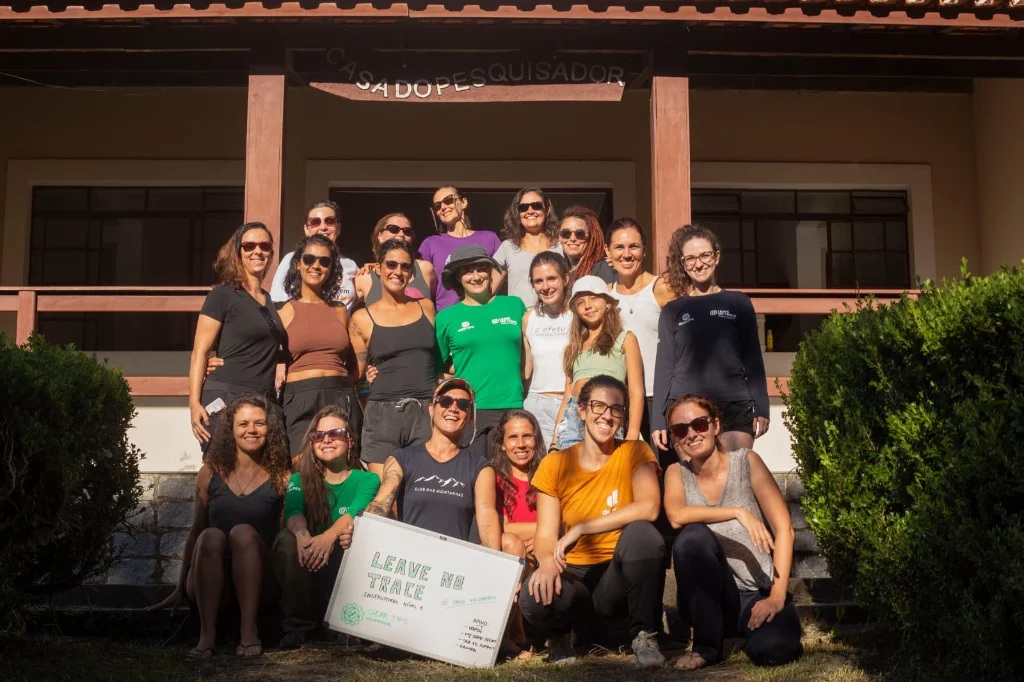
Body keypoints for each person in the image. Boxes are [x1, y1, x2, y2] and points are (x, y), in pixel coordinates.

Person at [519, 375, 666, 668]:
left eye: (617, 409)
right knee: (532, 596)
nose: (607, 415)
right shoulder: (556, 463)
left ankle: (644, 636)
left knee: (643, 534)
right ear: (582, 410)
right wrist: (547, 561)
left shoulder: (635, 452)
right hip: (577, 578)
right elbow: (546, 535)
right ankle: (560, 639)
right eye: (599, 406)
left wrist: (582, 527)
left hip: (620, 574)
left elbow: (649, 507)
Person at [663, 394, 802, 669]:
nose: (691, 434)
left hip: (757, 593)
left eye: (699, 424)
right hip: (710, 599)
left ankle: (752, 633)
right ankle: (706, 648)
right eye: (681, 429)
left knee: (776, 652)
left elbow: (784, 529)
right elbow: (677, 516)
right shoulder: (676, 473)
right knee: (692, 538)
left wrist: (776, 596)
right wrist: (738, 512)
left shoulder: (746, 462)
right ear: (675, 438)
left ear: (715, 425)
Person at [147, 395, 291, 658]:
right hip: (211, 580)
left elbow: (281, 542)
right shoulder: (210, 472)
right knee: (211, 535)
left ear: (269, 429)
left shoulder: (283, 478)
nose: (252, 430)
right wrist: (180, 586)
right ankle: (206, 636)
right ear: (231, 430)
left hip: (258, 584)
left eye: (260, 423)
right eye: (243, 424)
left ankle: (249, 632)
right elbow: (196, 532)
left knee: (243, 533)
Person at [652, 224, 770, 453]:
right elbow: (664, 367)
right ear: (683, 264)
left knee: (736, 477)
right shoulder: (672, 310)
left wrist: (762, 406)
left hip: (734, 404)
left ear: (716, 257)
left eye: (704, 255)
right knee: (695, 484)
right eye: (690, 259)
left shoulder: (739, 303)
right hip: (686, 408)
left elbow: (753, 358)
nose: (698, 264)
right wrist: (658, 419)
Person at [274, 406, 381, 649]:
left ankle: (347, 624)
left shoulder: (368, 479)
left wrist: (329, 536)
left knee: (352, 534)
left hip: (345, 572)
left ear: (350, 440)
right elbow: (293, 512)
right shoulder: (298, 479)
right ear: (311, 443)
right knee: (288, 541)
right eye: (319, 435)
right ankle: (297, 627)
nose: (326, 440)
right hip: (306, 566)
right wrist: (303, 536)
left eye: (336, 433)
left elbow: (355, 512)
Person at [361, 379, 501, 551]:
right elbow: (381, 503)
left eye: (463, 404)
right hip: (408, 561)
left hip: (451, 565)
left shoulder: (480, 467)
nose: (453, 408)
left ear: (470, 416)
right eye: (445, 401)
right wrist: (364, 534)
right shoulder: (402, 458)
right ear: (431, 409)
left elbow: (487, 518)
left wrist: (495, 564)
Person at [189, 222, 286, 453]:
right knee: (220, 470)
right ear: (238, 252)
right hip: (226, 394)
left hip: (264, 400)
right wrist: (193, 403)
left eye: (264, 245)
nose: (257, 251)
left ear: (271, 252)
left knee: (261, 475)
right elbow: (199, 353)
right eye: (249, 245)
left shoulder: (270, 301)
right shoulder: (222, 294)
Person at [349, 239, 439, 476]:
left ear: (411, 273)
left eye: (405, 266)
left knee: (421, 490)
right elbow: (356, 376)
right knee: (385, 495)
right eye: (391, 264)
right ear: (378, 269)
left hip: (425, 412)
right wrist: (366, 382)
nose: (397, 271)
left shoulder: (427, 307)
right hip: (383, 415)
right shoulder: (361, 318)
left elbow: (439, 358)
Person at [435, 243, 527, 458]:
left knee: (508, 481)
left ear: (490, 271)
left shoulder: (514, 305)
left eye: (481, 269)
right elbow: (436, 366)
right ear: (458, 277)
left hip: (512, 406)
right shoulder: (446, 317)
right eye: (467, 271)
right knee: (473, 479)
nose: (475, 276)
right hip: (469, 410)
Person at [605, 217, 681, 451]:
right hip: (619, 400)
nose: (626, 254)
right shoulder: (605, 296)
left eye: (633, 246)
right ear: (608, 252)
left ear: (644, 250)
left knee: (663, 471)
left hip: (659, 397)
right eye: (619, 247)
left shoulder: (662, 290)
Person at [552, 276, 644, 451]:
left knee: (604, 471)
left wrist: (632, 433)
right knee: (570, 473)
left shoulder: (625, 339)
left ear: (608, 303)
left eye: (594, 298)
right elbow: (566, 398)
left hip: (607, 414)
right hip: (573, 414)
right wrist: (554, 441)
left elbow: (635, 391)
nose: (587, 305)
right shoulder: (574, 348)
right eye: (580, 302)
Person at [491, 409, 544, 660]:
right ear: (502, 444)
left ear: (537, 440)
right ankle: (515, 634)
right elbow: (497, 528)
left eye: (527, 436)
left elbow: (565, 522)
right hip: (510, 556)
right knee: (512, 545)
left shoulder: (548, 474)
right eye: (513, 438)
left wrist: (545, 536)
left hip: (543, 557)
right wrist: (544, 529)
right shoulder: (493, 479)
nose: (521, 444)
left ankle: (516, 636)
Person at [418, 185, 502, 311]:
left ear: (464, 202)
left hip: (485, 312)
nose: (443, 207)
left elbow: (503, 270)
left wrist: (486, 297)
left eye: (448, 200)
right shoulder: (430, 243)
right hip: (447, 316)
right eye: (437, 206)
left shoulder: (490, 238)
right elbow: (421, 284)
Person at [521, 251, 573, 447]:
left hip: (571, 403)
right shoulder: (529, 318)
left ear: (565, 278)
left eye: (551, 278)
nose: (545, 287)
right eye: (538, 281)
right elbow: (526, 370)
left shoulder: (579, 315)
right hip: (537, 403)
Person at [270, 200, 358, 311]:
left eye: (329, 221)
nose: (323, 227)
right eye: (316, 222)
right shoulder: (292, 259)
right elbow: (278, 302)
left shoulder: (350, 265)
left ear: (338, 228)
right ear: (307, 229)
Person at [492, 188, 563, 306]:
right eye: (523, 208)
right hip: (520, 320)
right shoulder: (508, 247)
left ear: (548, 209)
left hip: (556, 319)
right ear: (517, 213)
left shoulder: (561, 246)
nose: (530, 211)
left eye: (536, 206)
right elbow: (487, 290)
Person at [354, 213, 436, 304]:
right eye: (393, 229)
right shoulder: (365, 277)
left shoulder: (425, 269)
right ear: (380, 236)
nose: (401, 234)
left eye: (407, 231)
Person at [558, 205, 616, 286]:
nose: (572, 238)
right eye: (566, 233)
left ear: (591, 237)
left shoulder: (605, 268)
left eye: (580, 234)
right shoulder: (559, 271)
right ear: (559, 237)